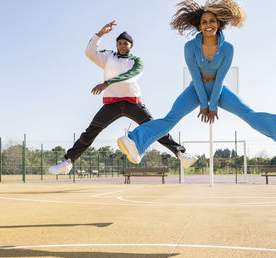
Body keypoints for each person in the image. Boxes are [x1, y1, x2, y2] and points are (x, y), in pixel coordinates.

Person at [117, 0, 276, 164]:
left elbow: (221, 78)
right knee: (170, 119)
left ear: (219, 23)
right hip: (196, 89)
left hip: (219, 89)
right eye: (204, 22)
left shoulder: (228, 49)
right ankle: (134, 141)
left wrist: (213, 105)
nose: (208, 24)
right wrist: (203, 104)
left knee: (248, 114)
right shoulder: (190, 47)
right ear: (199, 26)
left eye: (212, 21)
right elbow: (196, 77)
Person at [48, 21, 197, 175]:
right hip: (111, 105)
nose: (122, 46)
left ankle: (181, 154)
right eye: (119, 43)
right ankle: (68, 162)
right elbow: (89, 53)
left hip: (132, 103)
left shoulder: (136, 61)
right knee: (90, 131)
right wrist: (99, 34)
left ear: (131, 45)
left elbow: (130, 76)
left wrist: (107, 83)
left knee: (155, 128)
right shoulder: (108, 57)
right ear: (116, 45)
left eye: (125, 43)